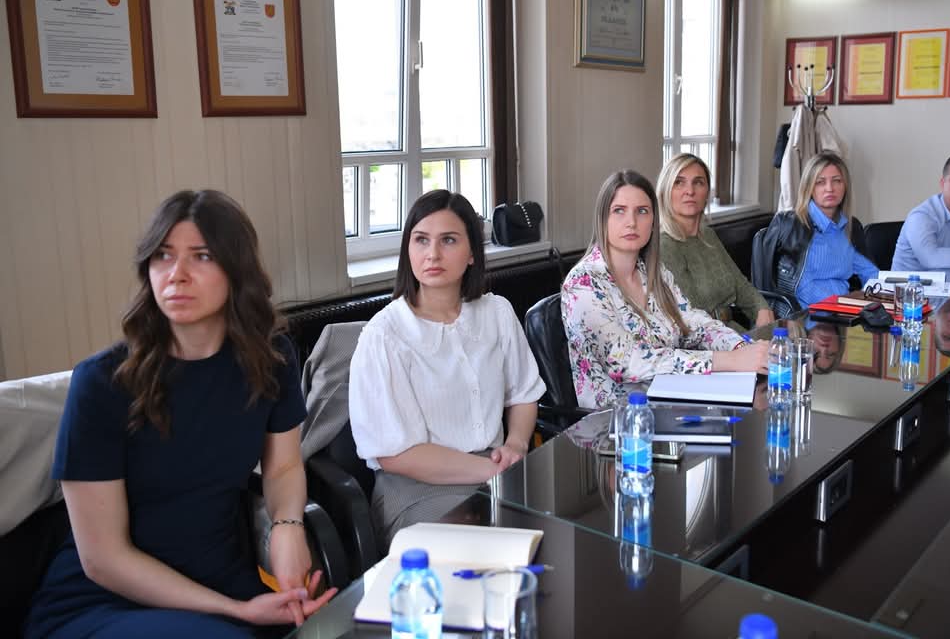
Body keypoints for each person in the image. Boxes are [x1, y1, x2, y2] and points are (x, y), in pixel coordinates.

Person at [24, 190, 335, 639]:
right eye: (163, 256)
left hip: (223, 581)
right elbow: (103, 560)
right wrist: (236, 610)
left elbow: (283, 466)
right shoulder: (102, 382)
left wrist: (288, 526)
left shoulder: (270, 359)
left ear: (237, 270)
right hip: (106, 603)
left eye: (201, 256)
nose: (176, 274)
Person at [348, 190, 543, 543]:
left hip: (497, 471)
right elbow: (395, 455)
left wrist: (515, 445)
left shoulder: (496, 312)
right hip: (417, 488)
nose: (432, 254)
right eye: (421, 240)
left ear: (472, 253)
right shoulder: (384, 335)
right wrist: (491, 470)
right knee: (479, 551)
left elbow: (524, 393)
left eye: (448, 240)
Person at [561, 170, 768, 411]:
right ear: (602, 219)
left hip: (672, 401)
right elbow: (628, 363)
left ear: (653, 221)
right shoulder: (584, 282)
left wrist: (740, 348)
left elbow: (692, 322)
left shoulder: (654, 271)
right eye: (619, 210)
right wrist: (727, 360)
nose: (631, 222)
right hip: (616, 419)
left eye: (642, 211)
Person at [657, 152, 774, 331]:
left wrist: (762, 308)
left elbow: (740, 285)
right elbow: (690, 309)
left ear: (707, 193)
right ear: (665, 191)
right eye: (679, 182)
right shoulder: (664, 245)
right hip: (702, 339)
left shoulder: (708, 235)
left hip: (732, 331)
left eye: (698, 182)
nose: (690, 191)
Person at [756, 152, 877, 310]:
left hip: (844, 312)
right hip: (805, 315)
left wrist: (877, 293)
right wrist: (845, 303)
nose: (830, 188)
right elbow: (801, 288)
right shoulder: (793, 225)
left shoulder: (850, 228)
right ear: (809, 187)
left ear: (845, 186)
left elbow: (870, 273)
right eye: (820, 182)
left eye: (837, 181)